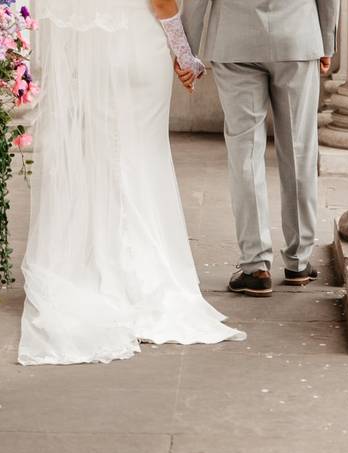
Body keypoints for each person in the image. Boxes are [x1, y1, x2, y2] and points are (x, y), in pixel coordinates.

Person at [18, 0, 245, 366]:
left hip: (99, 53)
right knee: (143, 157)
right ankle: (136, 276)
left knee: (107, 160)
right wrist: (184, 54)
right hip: (137, 46)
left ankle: (99, 259)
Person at [182, 0, 340, 297]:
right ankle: (298, 261)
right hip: (297, 35)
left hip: (234, 38)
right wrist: (326, 40)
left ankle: (256, 266)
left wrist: (186, 50)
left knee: (245, 153)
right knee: (299, 148)